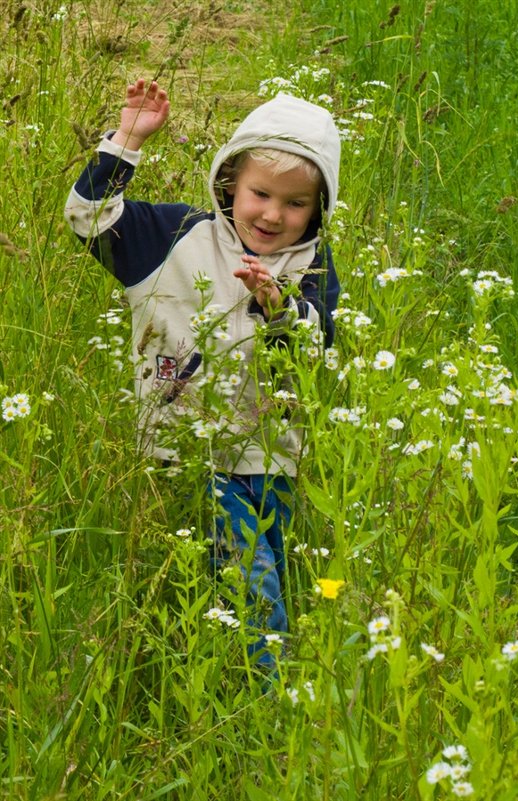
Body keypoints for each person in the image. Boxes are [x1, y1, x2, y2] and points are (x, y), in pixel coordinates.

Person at [65, 78, 341, 674]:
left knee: (271, 575)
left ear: (319, 209)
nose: (272, 215)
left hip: (275, 457)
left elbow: (322, 351)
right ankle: (272, 709)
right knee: (255, 590)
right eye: (260, 194)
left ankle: (231, 681)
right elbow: (88, 218)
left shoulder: (314, 265)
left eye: (295, 204)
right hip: (197, 454)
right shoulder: (174, 237)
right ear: (228, 184)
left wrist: (279, 308)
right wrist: (128, 141)